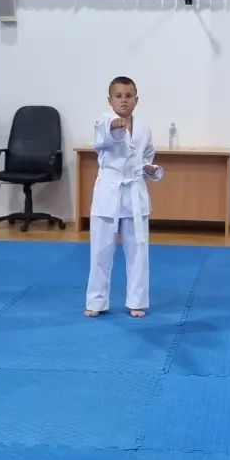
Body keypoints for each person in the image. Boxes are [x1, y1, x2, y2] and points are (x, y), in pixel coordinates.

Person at [85, 76, 163, 318]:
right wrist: (115, 127)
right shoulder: (104, 121)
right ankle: (96, 301)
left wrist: (149, 168)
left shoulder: (144, 127)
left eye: (129, 96)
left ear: (136, 100)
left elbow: (147, 155)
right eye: (118, 96)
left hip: (134, 192)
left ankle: (136, 301)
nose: (124, 100)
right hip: (108, 192)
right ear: (109, 100)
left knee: (138, 251)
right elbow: (105, 137)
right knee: (101, 251)